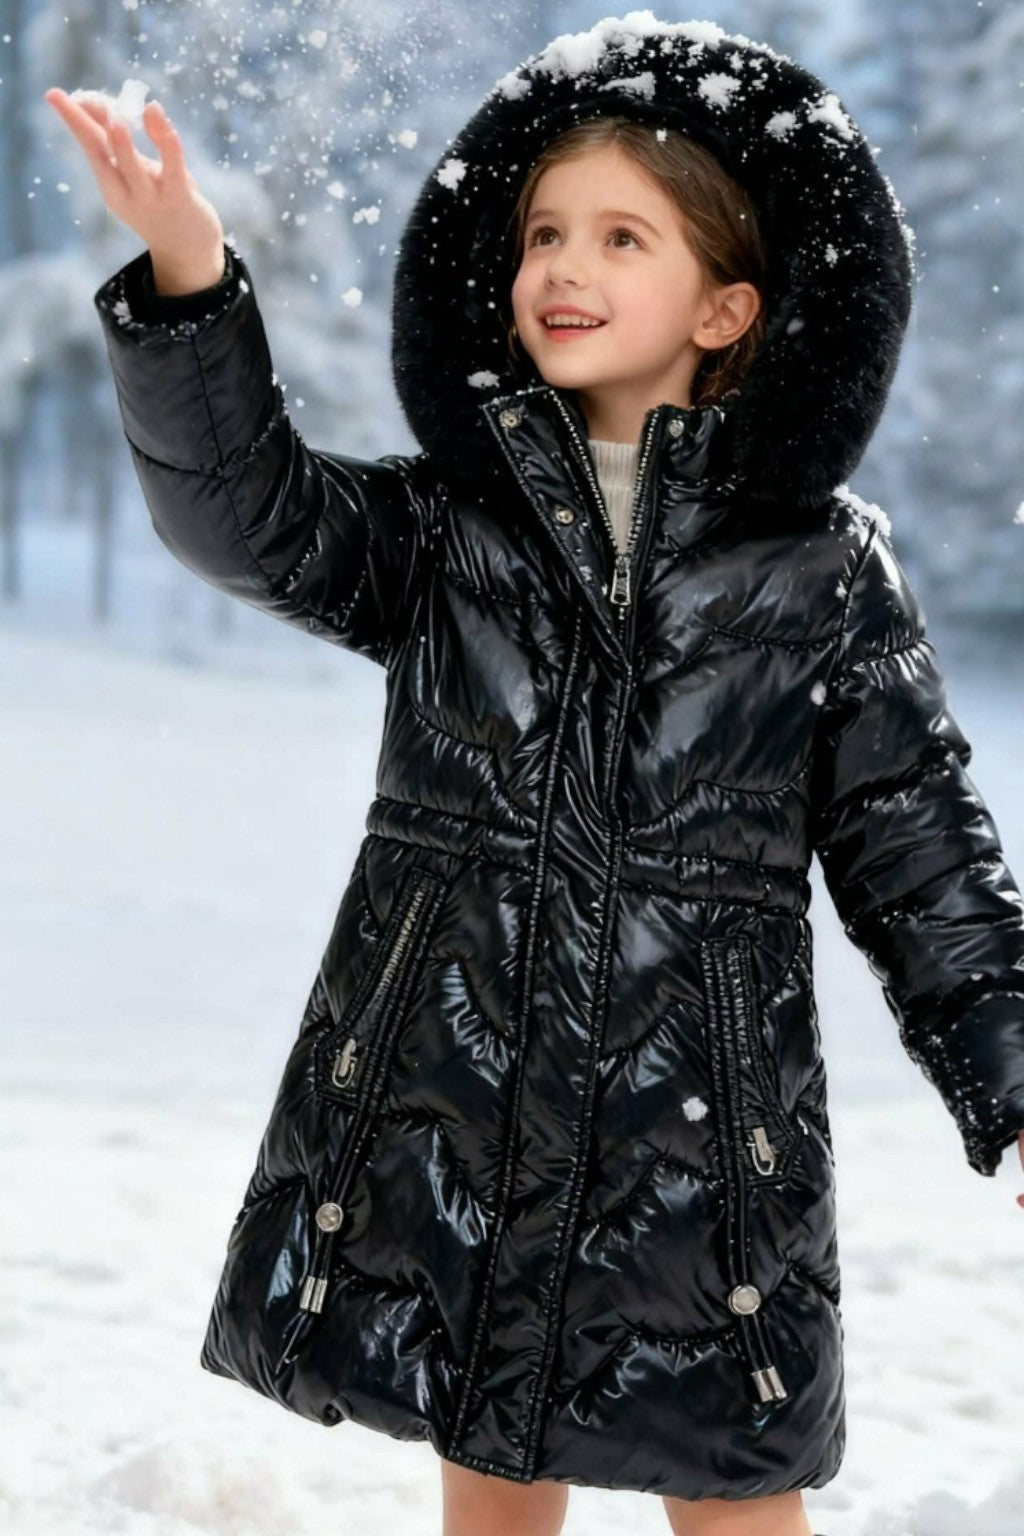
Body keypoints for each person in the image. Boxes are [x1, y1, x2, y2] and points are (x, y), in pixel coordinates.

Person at [45, 15, 1024, 1536]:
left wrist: (1013, 1084)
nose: (563, 265)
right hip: (465, 1097)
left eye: (623, 236)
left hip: (699, 1143)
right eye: (543, 233)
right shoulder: (455, 530)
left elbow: (922, 855)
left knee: (733, 1487)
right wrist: (186, 268)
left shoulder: (819, 574)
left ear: (727, 306)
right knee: (493, 1458)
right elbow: (244, 516)